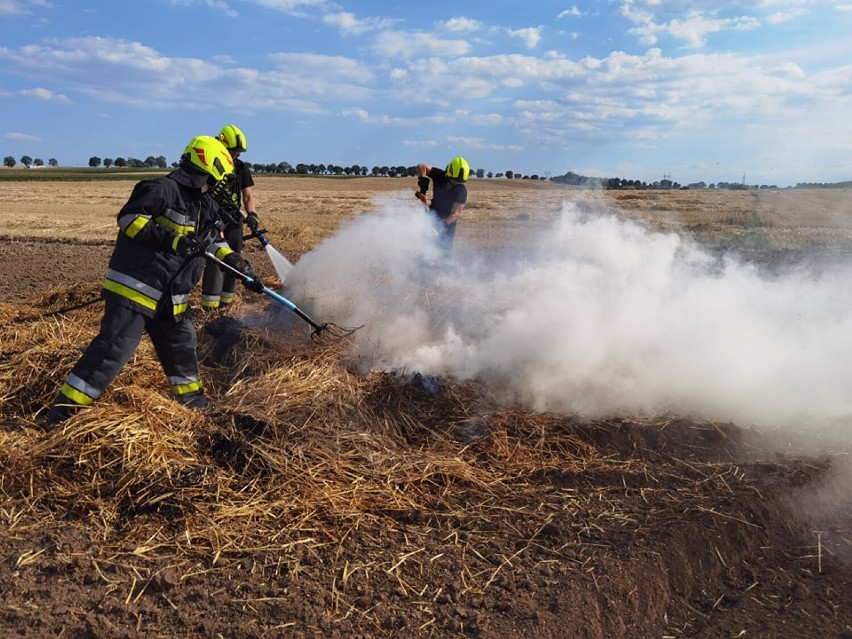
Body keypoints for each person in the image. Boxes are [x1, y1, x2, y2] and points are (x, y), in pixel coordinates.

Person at [44, 135, 265, 426]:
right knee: (111, 352)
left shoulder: (205, 206)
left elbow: (213, 244)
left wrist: (238, 265)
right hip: (134, 291)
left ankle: (195, 408)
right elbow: (129, 220)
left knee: (183, 348)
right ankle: (61, 414)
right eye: (210, 179)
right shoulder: (160, 190)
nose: (212, 186)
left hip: (170, 299)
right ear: (196, 170)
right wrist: (174, 241)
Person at [201, 124, 260, 311]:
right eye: (232, 151)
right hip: (213, 218)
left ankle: (226, 306)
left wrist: (252, 214)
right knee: (216, 259)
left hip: (234, 219)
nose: (235, 155)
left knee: (234, 259)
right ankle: (210, 308)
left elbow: (248, 195)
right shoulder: (210, 165)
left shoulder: (241, 168)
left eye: (238, 152)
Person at [414, 156, 470, 255]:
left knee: (444, 256)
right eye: (453, 181)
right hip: (431, 218)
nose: (456, 183)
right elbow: (421, 166)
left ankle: (444, 270)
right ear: (448, 174)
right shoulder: (440, 176)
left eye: (459, 182)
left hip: (447, 225)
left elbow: (455, 214)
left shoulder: (461, 191)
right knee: (426, 253)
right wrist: (423, 186)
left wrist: (439, 228)